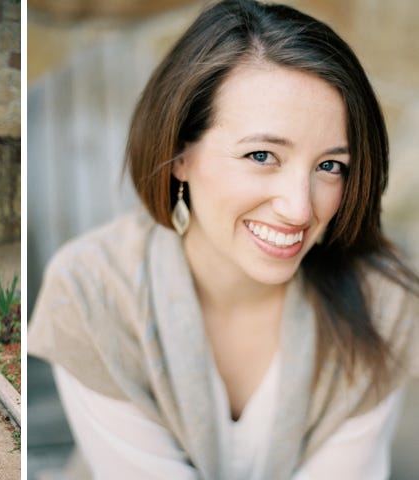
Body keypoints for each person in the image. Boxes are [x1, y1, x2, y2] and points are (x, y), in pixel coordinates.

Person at [28, 0, 419, 478]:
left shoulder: (382, 302)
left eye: (330, 166)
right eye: (261, 155)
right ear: (179, 155)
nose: (300, 208)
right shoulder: (91, 291)